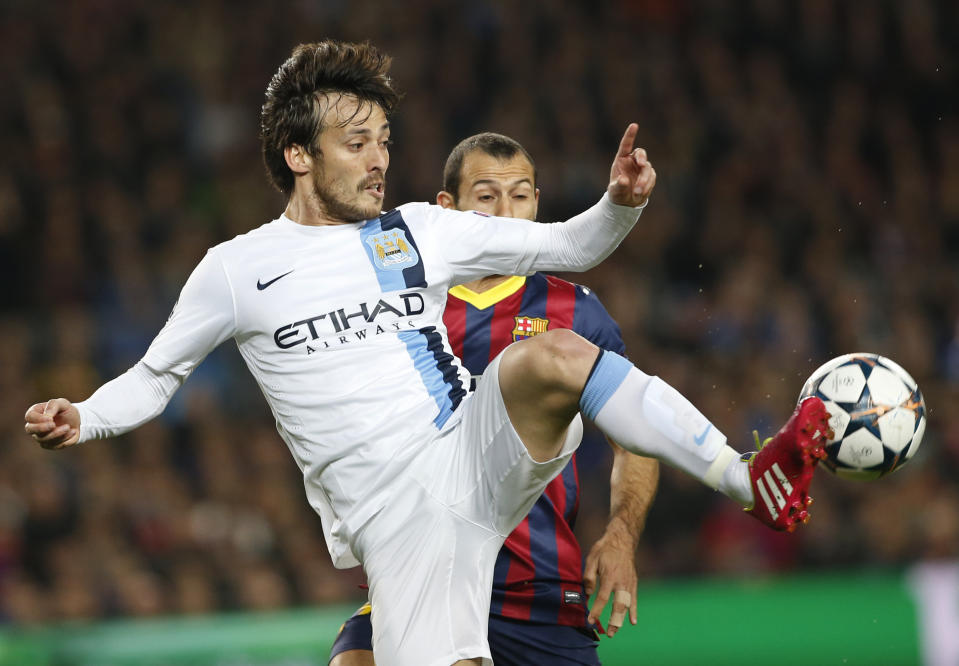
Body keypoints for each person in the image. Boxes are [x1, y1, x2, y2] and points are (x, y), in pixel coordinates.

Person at [25, 40, 831, 666]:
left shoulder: (415, 230)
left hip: (467, 451)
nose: (378, 158)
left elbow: (569, 246)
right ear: (299, 155)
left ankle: (743, 477)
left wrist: (619, 204)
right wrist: (85, 415)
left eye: (383, 139)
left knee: (552, 354)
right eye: (354, 142)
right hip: (397, 522)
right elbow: (154, 378)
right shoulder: (236, 271)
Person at [329, 133, 660, 666]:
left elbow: (637, 439)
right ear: (447, 208)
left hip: (537, 589)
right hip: (426, 575)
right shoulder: (403, 310)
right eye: (486, 197)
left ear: (538, 205)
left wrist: (621, 537)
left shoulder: (576, 313)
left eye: (521, 196)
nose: (506, 213)